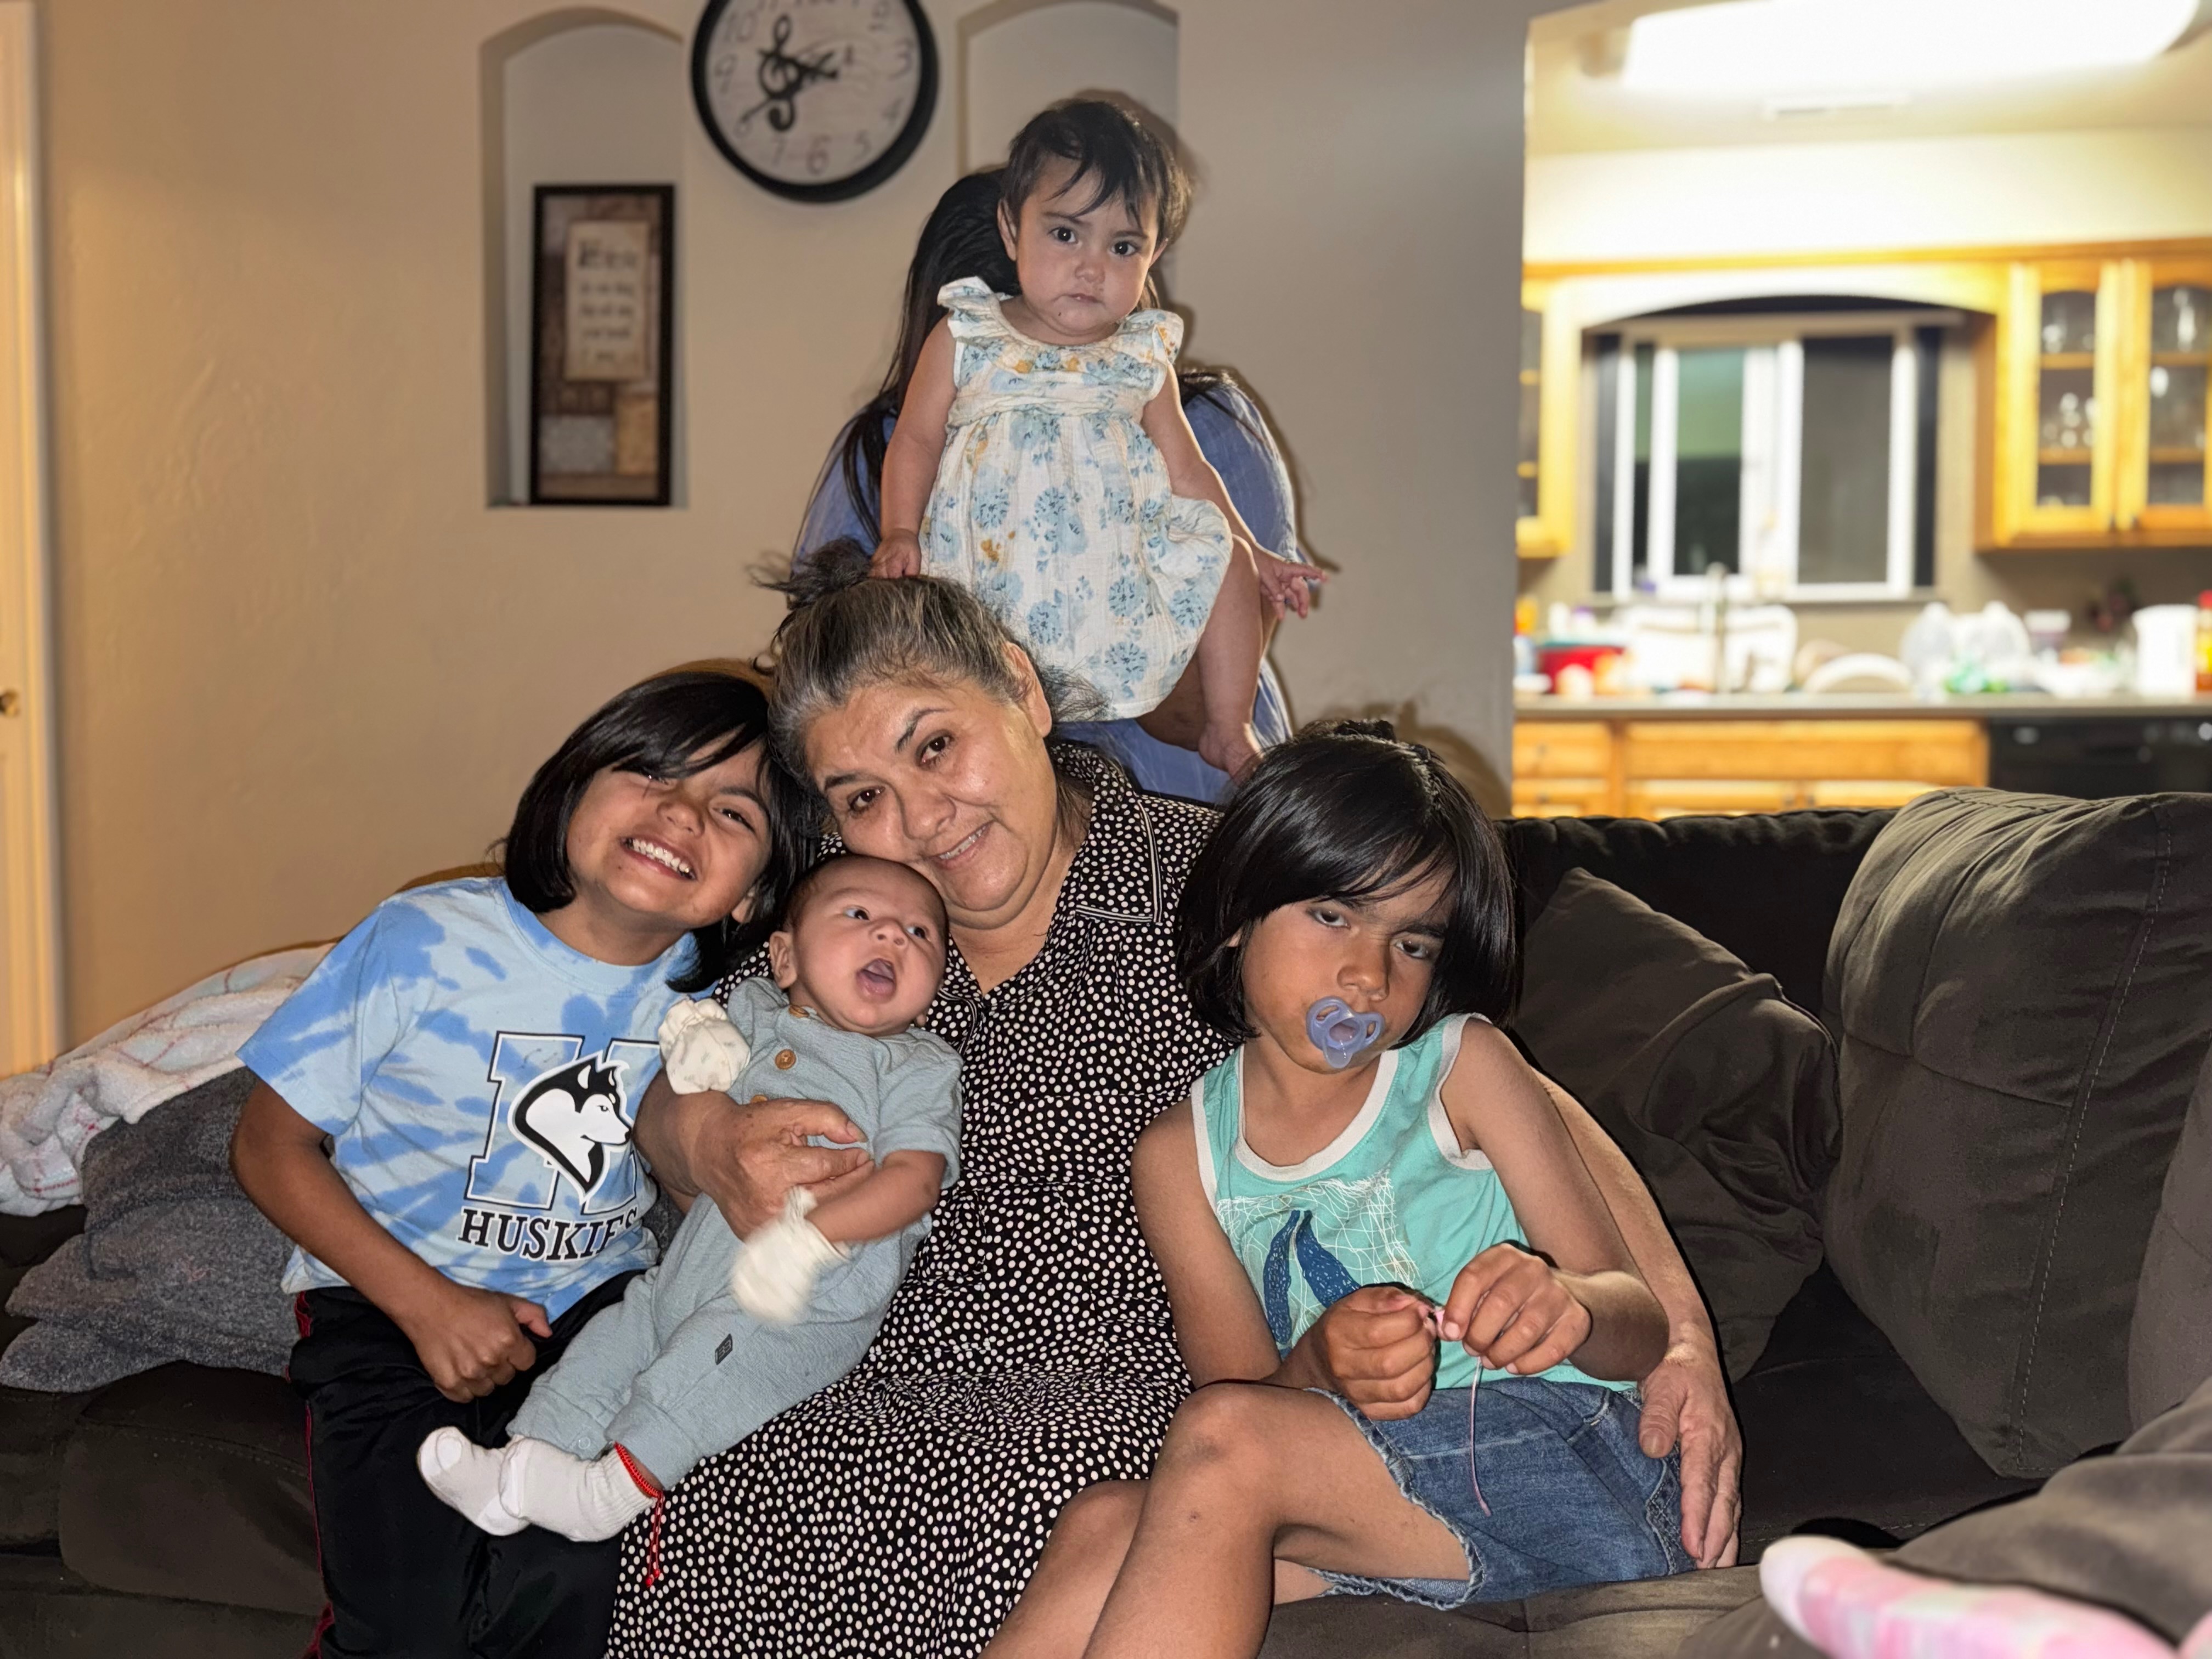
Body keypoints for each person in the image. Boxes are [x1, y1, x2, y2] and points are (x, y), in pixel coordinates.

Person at [610, 551, 1743, 1659]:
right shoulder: (846, 924)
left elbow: (1496, 1088)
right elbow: (685, 1070)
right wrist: (699, 1135)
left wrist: (1681, 1340)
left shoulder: (1225, 893)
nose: (923, 816)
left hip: (1133, 1394)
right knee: (707, 1463)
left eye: (936, 745)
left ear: (1020, 687)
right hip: (865, 1372)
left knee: (1059, 1489)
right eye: (865, 797)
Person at [985, 721, 1691, 1658]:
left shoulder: (1462, 1068)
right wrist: (1317, 1362)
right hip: (1383, 1489)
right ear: (1237, 912)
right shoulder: (1179, 1154)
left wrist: (1570, 1303)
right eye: (1332, 915)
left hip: (1574, 1462)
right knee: (1104, 1525)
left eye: (1412, 943)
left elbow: (1638, 1323)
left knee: (1227, 1443)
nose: (1368, 974)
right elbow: (1245, 1394)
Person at [229, 669, 797, 1659]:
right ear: (572, 789)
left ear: (750, 893)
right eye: (650, 769)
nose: (680, 811)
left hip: (598, 1320)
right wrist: (427, 1306)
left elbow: (695, 1184)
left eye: (732, 810)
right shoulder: (421, 939)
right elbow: (268, 1145)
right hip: (389, 1311)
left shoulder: (720, 1010)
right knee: (406, 1616)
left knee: (572, 1581)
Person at [415, 854, 961, 1555]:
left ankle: (603, 1497)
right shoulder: (756, 1011)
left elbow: (915, 1181)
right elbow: (688, 1086)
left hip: (811, 1293)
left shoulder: (918, 1065)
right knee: (622, 1334)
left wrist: (813, 1237)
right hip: (696, 1259)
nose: (891, 935)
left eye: (920, 934)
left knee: (706, 1371)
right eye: (859, 914)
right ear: (786, 958)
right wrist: (696, 1050)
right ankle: (523, 1461)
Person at [794, 159, 1307, 803]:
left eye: (1119, 248)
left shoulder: (1195, 413)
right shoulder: (889, 443)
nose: (1082, 279)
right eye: (1061, 240)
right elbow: (838, 684)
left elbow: (1211, 666)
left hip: (1188, 798)